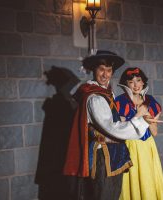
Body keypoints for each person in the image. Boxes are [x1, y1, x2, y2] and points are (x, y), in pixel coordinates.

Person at [62, 50, 155, 200]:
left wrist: (130, 118)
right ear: (94, 70)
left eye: (109, 70)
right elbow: (111, 128)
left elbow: (111, 122)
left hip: (112, 154)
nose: (105, 75)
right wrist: (140, 119)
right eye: (101, 69)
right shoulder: (95, 98)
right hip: (102, 158)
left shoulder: (105, 93)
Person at [115, 67, 163, 200]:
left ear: (143, 82)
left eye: (138, 80)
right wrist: (137, 115)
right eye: (131, 81)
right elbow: (120, 130)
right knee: (131, 184)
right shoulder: (119, 102)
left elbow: (154, 132)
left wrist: (147, 116)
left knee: (148, 182)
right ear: (126, 84)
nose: (136, 85)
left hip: (147, 147)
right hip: (129, 147)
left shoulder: (151, 102)